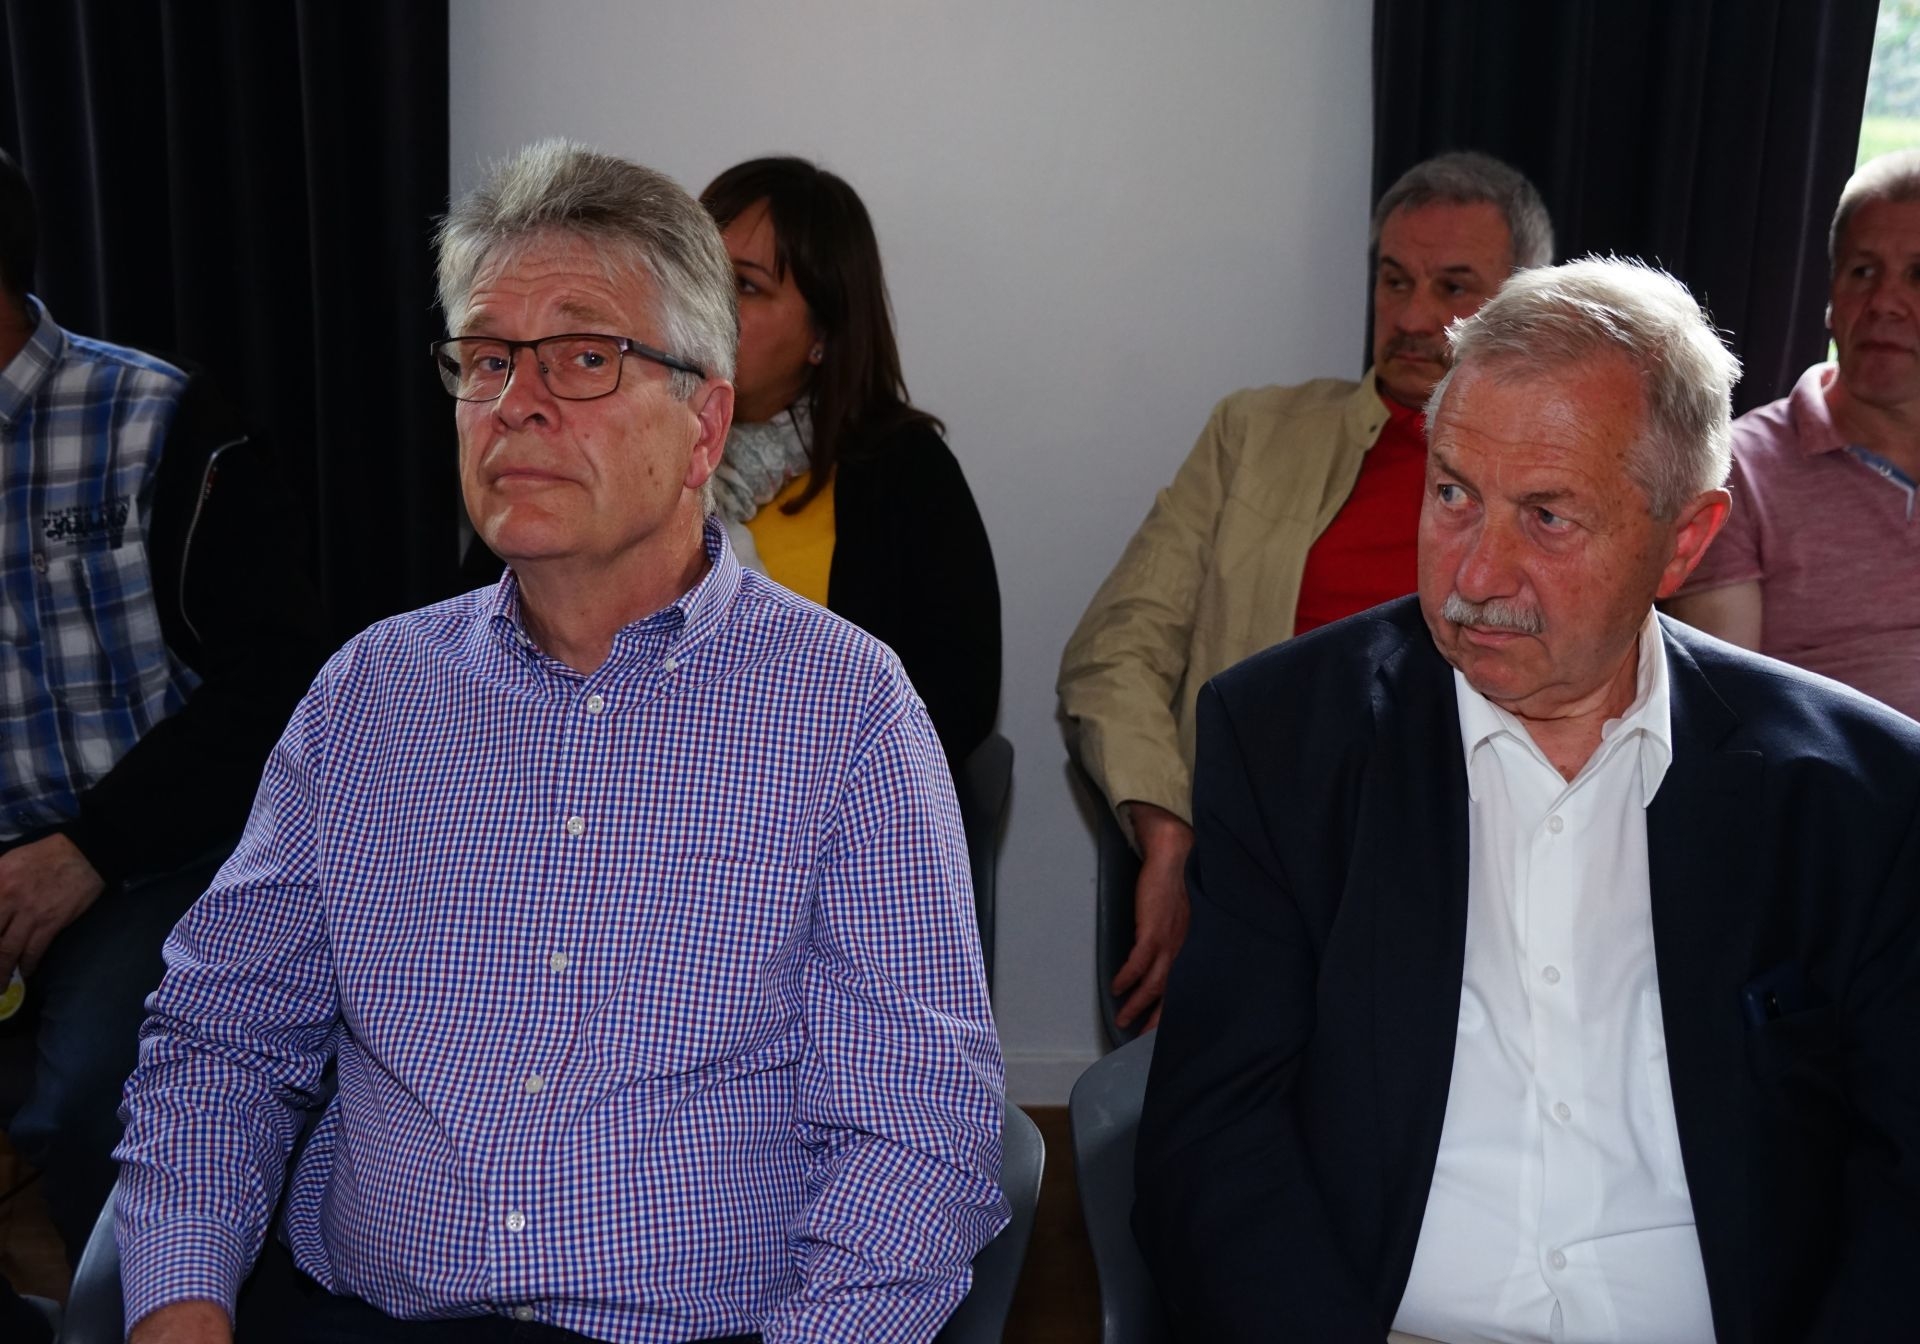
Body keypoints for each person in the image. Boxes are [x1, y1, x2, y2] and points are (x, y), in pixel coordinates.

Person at [113, 140, 1006, 1344]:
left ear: (704, 424)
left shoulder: (845, 708)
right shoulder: (368, 695)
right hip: (371, 1314)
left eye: (585, 357)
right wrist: (179, 1305)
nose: (515, 403)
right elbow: (221, 1041)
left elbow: (916, 1131)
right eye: (486, 359)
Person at [1134, 257, 1920, 1343]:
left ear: (1684, 539)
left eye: (1547, 517)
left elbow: (1899, 1188)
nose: (1476, 576)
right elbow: (1215, 1143)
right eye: (1454, 495)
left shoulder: (1856, 797)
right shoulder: (1287, 743)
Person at [1058, 151, 1552, 1028]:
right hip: (1261, 845)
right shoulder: (1254, 434)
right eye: (1394, 281)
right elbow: (1113, 654)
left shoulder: (1558, 480)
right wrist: (1167, 828)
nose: (1412, 317)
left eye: (1452, 288)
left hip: (1465, 855)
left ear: (1525, 305)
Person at [0, 148, 319, 1261]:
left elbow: (276, 682)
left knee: (103, 1093)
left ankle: (148, 1306)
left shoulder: (158, 417)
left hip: (148, 852)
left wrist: (92, 846)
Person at [699, 156, 1000, 765]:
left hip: (822, 802)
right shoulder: (610, 446)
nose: (707, 304)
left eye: (747, 286)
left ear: (823, 335)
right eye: (698, 273)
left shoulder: (907, 473)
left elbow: (957, 701)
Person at [1667, 148, 1920, 720]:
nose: (1885, 303)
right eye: (1863, 272)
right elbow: (1726, 716)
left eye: (1918, 274)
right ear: (1831, 299)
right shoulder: (1739, 469)